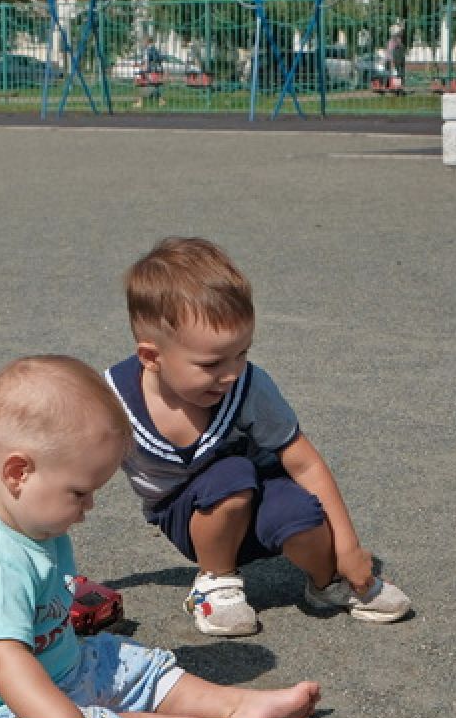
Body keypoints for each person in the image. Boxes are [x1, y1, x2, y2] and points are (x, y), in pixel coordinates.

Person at [0, 355, 320, 718]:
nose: (89, 507)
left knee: (125, 663)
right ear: (18, 472)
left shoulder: (26, 515)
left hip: (57, 669)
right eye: (79, 493)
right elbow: (3, 662)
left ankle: (234, 705)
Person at [105, 237, 412, 637]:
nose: (231, 372)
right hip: (190, 514)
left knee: (300, 512)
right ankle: (216, 580)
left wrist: (348, 547)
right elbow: (72, 477)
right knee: (230, 474)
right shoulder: (110, 402)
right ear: (151, 357)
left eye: (242, 353)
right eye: (212, 363)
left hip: (259, 492)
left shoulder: (248, 387)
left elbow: (305, 463)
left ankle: (330, 582)